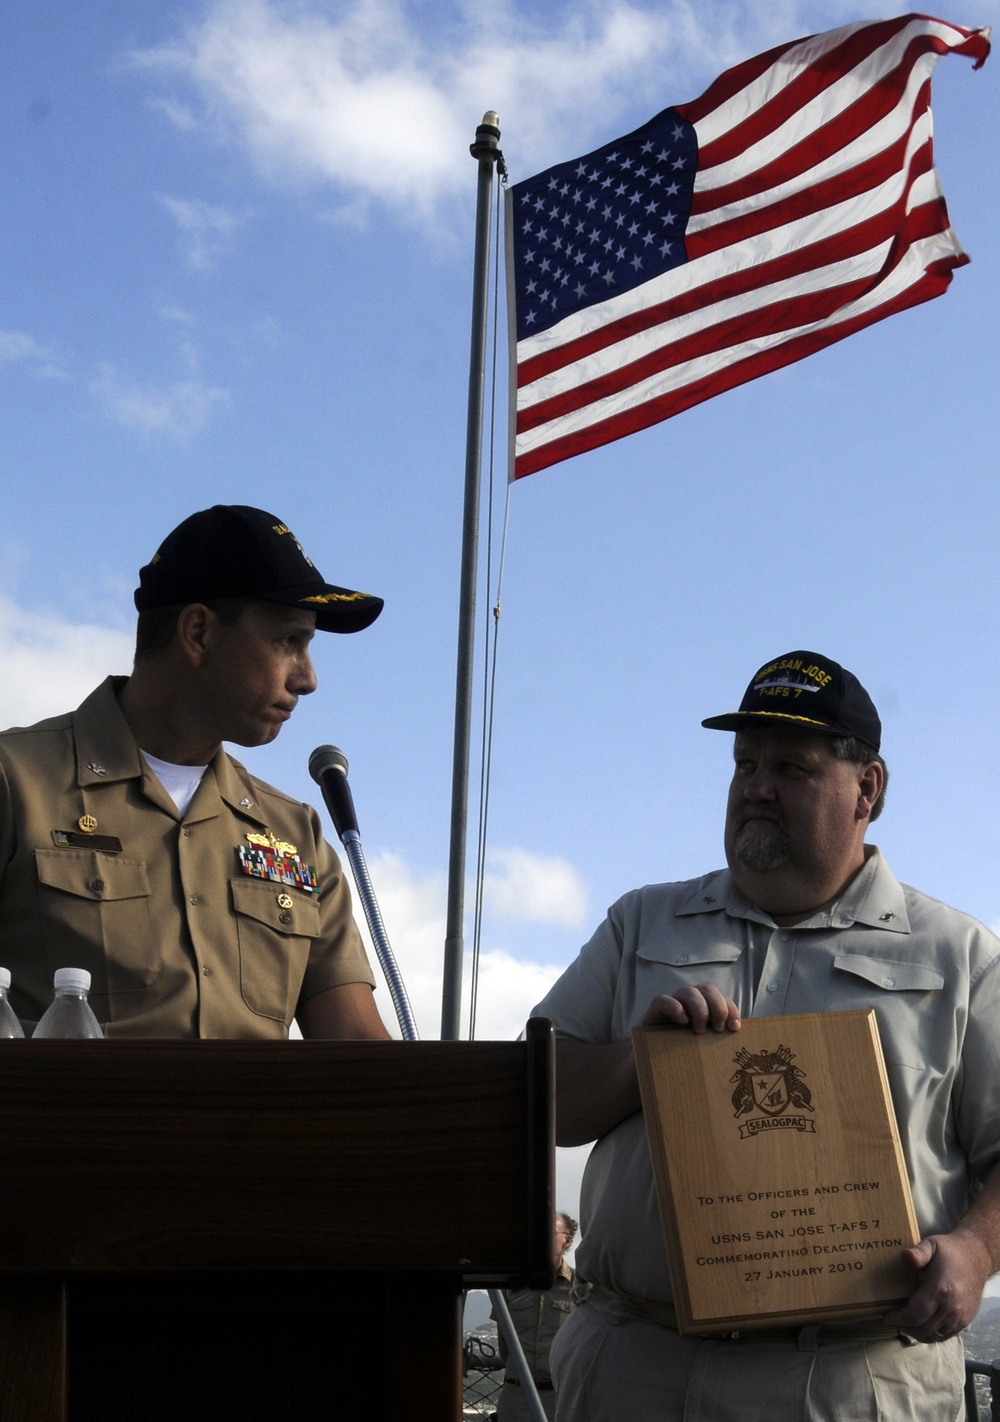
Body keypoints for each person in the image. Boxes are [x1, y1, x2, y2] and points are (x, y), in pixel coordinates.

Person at [532, 650, 1000, 1422]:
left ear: (868, 789)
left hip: (850, 1383)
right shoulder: (639, 923)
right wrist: (636, 1063)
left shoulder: (960, 957)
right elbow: (535, 1102)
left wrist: (977, 1254)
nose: (755, 787)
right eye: (744, 763)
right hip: (635, 1369)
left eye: (791, 767)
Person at [0, 504, 392, 1041]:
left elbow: (362, 1062)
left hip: (258, 1128)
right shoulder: (14, 781)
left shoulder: (297, 836)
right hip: (66, 1126)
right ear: (199, 633)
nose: (308, 678)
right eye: (288, 642)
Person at [494, 1213, 585, 1422]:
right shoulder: (512, 1286)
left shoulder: (580, 1288)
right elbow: (504, 1342)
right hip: (515, 1396)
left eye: (550, 1233)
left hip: (559, 1397)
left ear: (567, 1241)